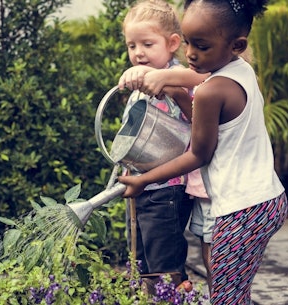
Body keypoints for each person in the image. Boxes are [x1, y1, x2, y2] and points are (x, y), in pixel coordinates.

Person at [118, 0, 288, 304]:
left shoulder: (211, 93)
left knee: (225, 297)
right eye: (187, 42)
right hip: (268, 199)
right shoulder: (241, 70)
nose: (190, 54)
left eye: (202, 46)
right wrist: (163, 77)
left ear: (236, 45)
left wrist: (145, 180)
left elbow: (198, 155)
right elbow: (196, 76)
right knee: (235, 292)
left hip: (241, 210)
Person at [117, 0, 193, 292]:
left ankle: (170, 297)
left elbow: (189, 123)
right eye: (131, 45)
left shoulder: (179, 76)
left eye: (147, 44)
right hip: (143, 186)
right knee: (142, 259)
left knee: (165, 261)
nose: (138, 53)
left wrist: (165, 86)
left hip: (167, 188)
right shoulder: (140, 80)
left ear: (173, 43)